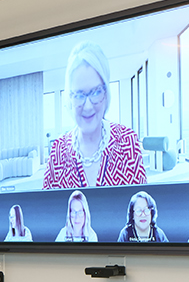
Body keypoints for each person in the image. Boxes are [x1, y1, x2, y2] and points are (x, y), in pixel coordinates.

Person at [42, 40, 146, 190]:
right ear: (69, 98)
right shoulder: (58, 151)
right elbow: (46, 205)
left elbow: (141, 202)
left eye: (96, 92)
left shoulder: (128, 142)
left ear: (106, 92)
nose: (88, 106)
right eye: (79, 95)